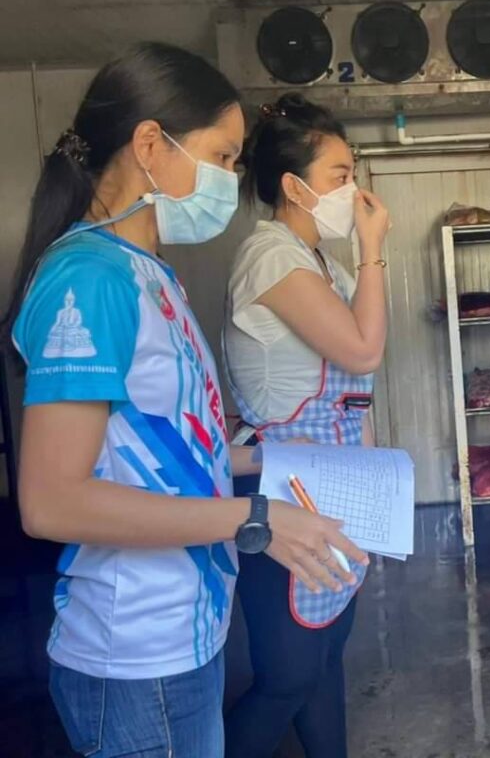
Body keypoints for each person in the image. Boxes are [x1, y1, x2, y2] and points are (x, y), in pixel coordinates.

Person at [2, 44, 365, 758]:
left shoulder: (148, 272)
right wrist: (254, 517)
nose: (231, 179)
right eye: (222, 157)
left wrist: (261, 457)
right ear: (150, 146)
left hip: (183, 630)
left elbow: (152, 442)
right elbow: (51, 502)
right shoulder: (90, 279)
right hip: (136, 651)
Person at [222, 93, 390, 758]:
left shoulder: (322, 263)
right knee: (288, 674)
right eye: (340, 176)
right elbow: (363, 352)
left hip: (330, 481)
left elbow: (357, 383)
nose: (354, 189)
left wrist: (371, 490)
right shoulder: (272, 256)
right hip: (280, 484)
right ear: (294, 187)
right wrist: (373, 250)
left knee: (324, 659)